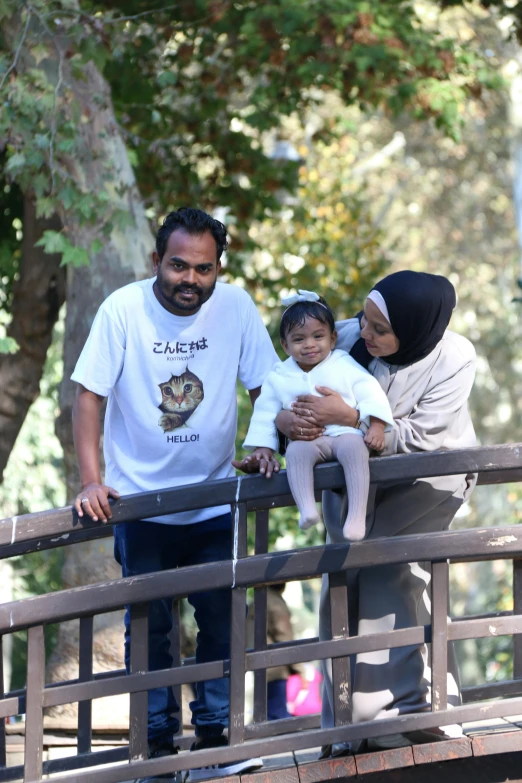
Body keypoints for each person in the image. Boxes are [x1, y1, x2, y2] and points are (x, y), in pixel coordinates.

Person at [71, 208, 278, 783]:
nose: (191, 279)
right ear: (156, 261)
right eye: (179, 265)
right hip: (139, 503)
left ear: (219, 268)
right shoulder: (123, 309)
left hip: (214, 498)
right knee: (150, 627)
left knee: (219, 618)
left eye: (204, 269)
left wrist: (264, 445)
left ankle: (216, 741)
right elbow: (88, 396)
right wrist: (92, 480)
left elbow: (267, 387)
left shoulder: (235, 307)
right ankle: (155, 751)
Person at [273, 271, 477, 755]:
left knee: (390, 573)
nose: (363, 333)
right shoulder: (347, 336)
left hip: (428, 478)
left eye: (379, 330)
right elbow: (287, 383)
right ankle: (344, 723)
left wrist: (352, 419)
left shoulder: (454, 357)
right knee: (339, 578)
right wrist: (285, 420)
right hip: (357, 478)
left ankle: (415, 711)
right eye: (365, 320)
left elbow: (420, 438)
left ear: (417, 329)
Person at [242, 290, 394, 542]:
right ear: (285, 345)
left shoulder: (343, 363)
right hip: (307, 441)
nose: (310, 344)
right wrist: (263, 448)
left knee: (356, 450)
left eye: (318, 336)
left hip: (345, 434)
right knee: (294, 454)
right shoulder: (278, 375)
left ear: (333, 339)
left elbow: (371, 393)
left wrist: (376, 427)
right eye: (299, 339)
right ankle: (307, 510)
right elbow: (264, 412)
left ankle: (356, 516)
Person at [246, 584, 303, 721]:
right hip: (275, 666)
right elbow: (284, 636)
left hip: (260, 664)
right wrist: (299, 668)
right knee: (277, 716)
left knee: (266, 714)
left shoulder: (258, 600)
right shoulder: (274, 603)